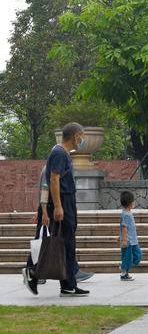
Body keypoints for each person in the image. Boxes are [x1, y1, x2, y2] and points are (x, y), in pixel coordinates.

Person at [22, 166, 94, 295]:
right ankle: (32, 271)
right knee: (45, 243)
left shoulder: (60, 164)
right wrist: (43, 211)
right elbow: (45, 188)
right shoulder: (53, 165)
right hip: (50, 209)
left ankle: (68, 280)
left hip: (52, 208)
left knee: (56, 243)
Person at [41, 122, 89, 296]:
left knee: (69, 242)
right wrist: (59, 206)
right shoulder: (59, 153)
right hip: (63, 200)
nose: (83, 140)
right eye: (82, 136)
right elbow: (54, 180)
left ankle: (69, 284)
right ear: (76, 136)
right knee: (67, 243)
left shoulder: (63, 153)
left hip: (68, 200)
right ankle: (67, 285)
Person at [117, 191, 141, 281]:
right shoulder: (126, 214)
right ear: (131, 203)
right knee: (127, 257)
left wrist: (120, 237)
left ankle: (124, 266)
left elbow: (124, 227)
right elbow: (124, 227)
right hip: (128, 241)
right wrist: (124, 240)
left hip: (133, 241)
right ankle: (124, 274)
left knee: (138, 254)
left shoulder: (128, 213)